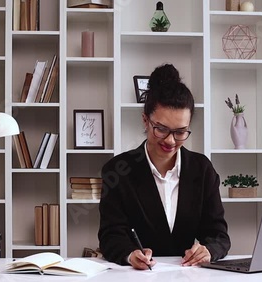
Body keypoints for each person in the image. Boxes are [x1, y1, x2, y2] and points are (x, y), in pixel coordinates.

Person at [98, 63, 231, 270]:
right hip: (137, 276)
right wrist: (129, 254)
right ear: (145, 120)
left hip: (188, 275)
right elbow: (110, 236)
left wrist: (209, 250)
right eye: (161, 129)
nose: (170, 141)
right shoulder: (117, 170)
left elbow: (219, 235)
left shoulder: (202, 169)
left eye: (180, 132)